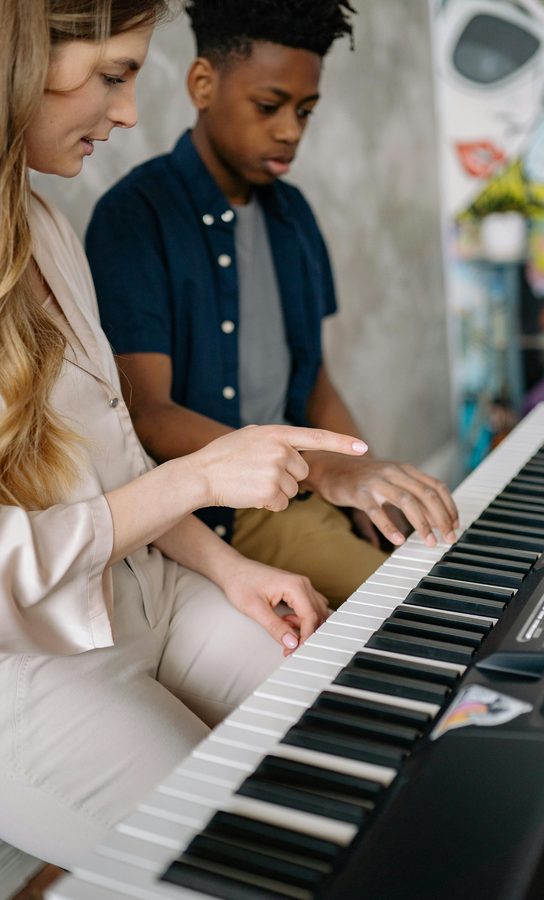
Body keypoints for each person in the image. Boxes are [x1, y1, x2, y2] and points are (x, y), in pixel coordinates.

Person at [0, 0, 371, 869]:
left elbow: (119, 457)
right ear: (15, 60)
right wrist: (202, 476)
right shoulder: (133, 215)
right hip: (26, 662)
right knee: (239, 861)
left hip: (147, 591)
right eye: (114, 76)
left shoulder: (47, 228)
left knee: (359, 743)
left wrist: (231, 568)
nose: (129, 112)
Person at [86, 0, 460, 609]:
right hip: (222, 516)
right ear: (203, 83)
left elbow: (313, 381)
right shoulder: (135, 216)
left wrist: (366, 477)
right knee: (423, 608)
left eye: (305, 111)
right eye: (269, 106)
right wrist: (324, 471)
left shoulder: (293, 216)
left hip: (304, 489)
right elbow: (146, 412)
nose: (290, 130)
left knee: (446, 563)